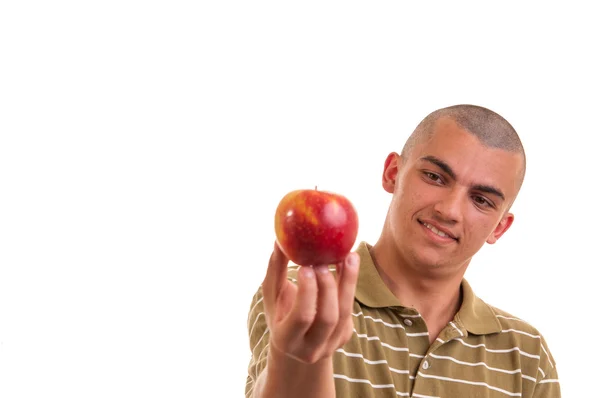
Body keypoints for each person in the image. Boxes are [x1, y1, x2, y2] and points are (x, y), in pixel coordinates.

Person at [244, 104, 561, 397]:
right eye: (435, 177)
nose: (449, 210)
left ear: (500, 228)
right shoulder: (302, 300)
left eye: (481, 200)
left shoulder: (527, 354)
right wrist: (295, 360)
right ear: (392, 173)